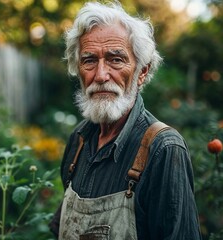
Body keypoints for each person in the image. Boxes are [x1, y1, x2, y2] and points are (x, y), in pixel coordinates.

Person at [49, 1, 202, 240]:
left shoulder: (163, 149)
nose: (100, 75)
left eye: (116, 59)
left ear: (141, 72)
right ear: (78, 70)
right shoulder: (78, 140)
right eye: (89, 60)